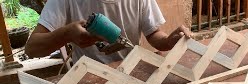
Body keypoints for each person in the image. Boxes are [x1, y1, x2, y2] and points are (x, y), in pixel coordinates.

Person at [25, 0, 192, 64]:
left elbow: (153, 34)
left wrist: (168, 41)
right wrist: (66, 34)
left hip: (131, 73)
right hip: (88, 78)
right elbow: (32, 49)